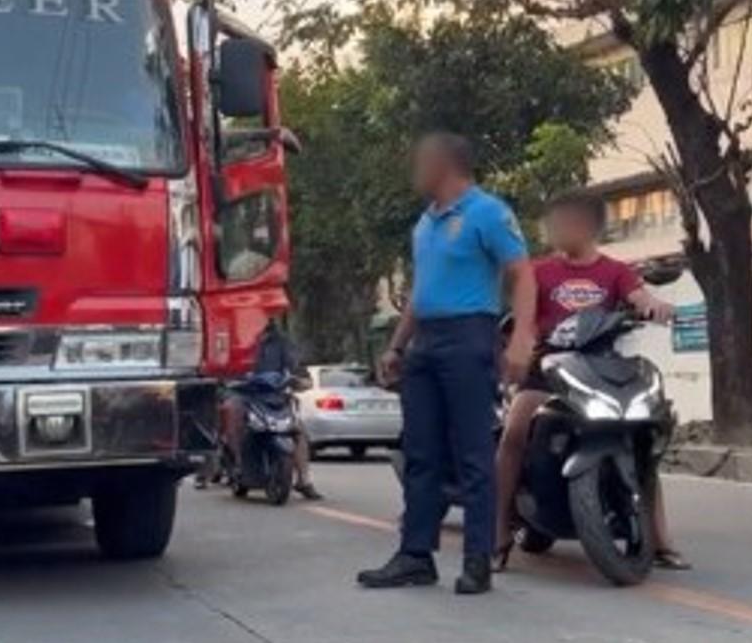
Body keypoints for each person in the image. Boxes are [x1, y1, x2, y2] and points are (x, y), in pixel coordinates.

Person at [356, 132, 536, 596]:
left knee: (473, 451)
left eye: (424, 161)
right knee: (421, 453)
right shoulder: (425, 224)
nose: (417, 170)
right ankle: (416, 555)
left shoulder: (488, 212)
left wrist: (520, 339)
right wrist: (398, 346)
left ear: (448, 165)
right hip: (426, 343)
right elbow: (420, 291)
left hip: (470, 334)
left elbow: (522, 274)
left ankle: (478, 558)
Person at [492, 191, 688, 572]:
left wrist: (655, 306)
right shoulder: (538, 271)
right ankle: (498, 532)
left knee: (643, 438)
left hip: (603, 367)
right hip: (547, 368)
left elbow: (639, 296)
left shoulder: (615, 270)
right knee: (514, 430)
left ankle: (661, 539)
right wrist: (520, 347)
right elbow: (525, 317)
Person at [218, 318, 323, 500]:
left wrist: (300, 380)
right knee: (231, 409)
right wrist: (227, 378)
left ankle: (304, 480)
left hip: (275, 397)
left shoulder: (281, 342)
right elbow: (221, 365)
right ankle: (238, 462)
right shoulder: (234, 338)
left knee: (298, 431)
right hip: (245, 394)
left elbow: (297, 369)